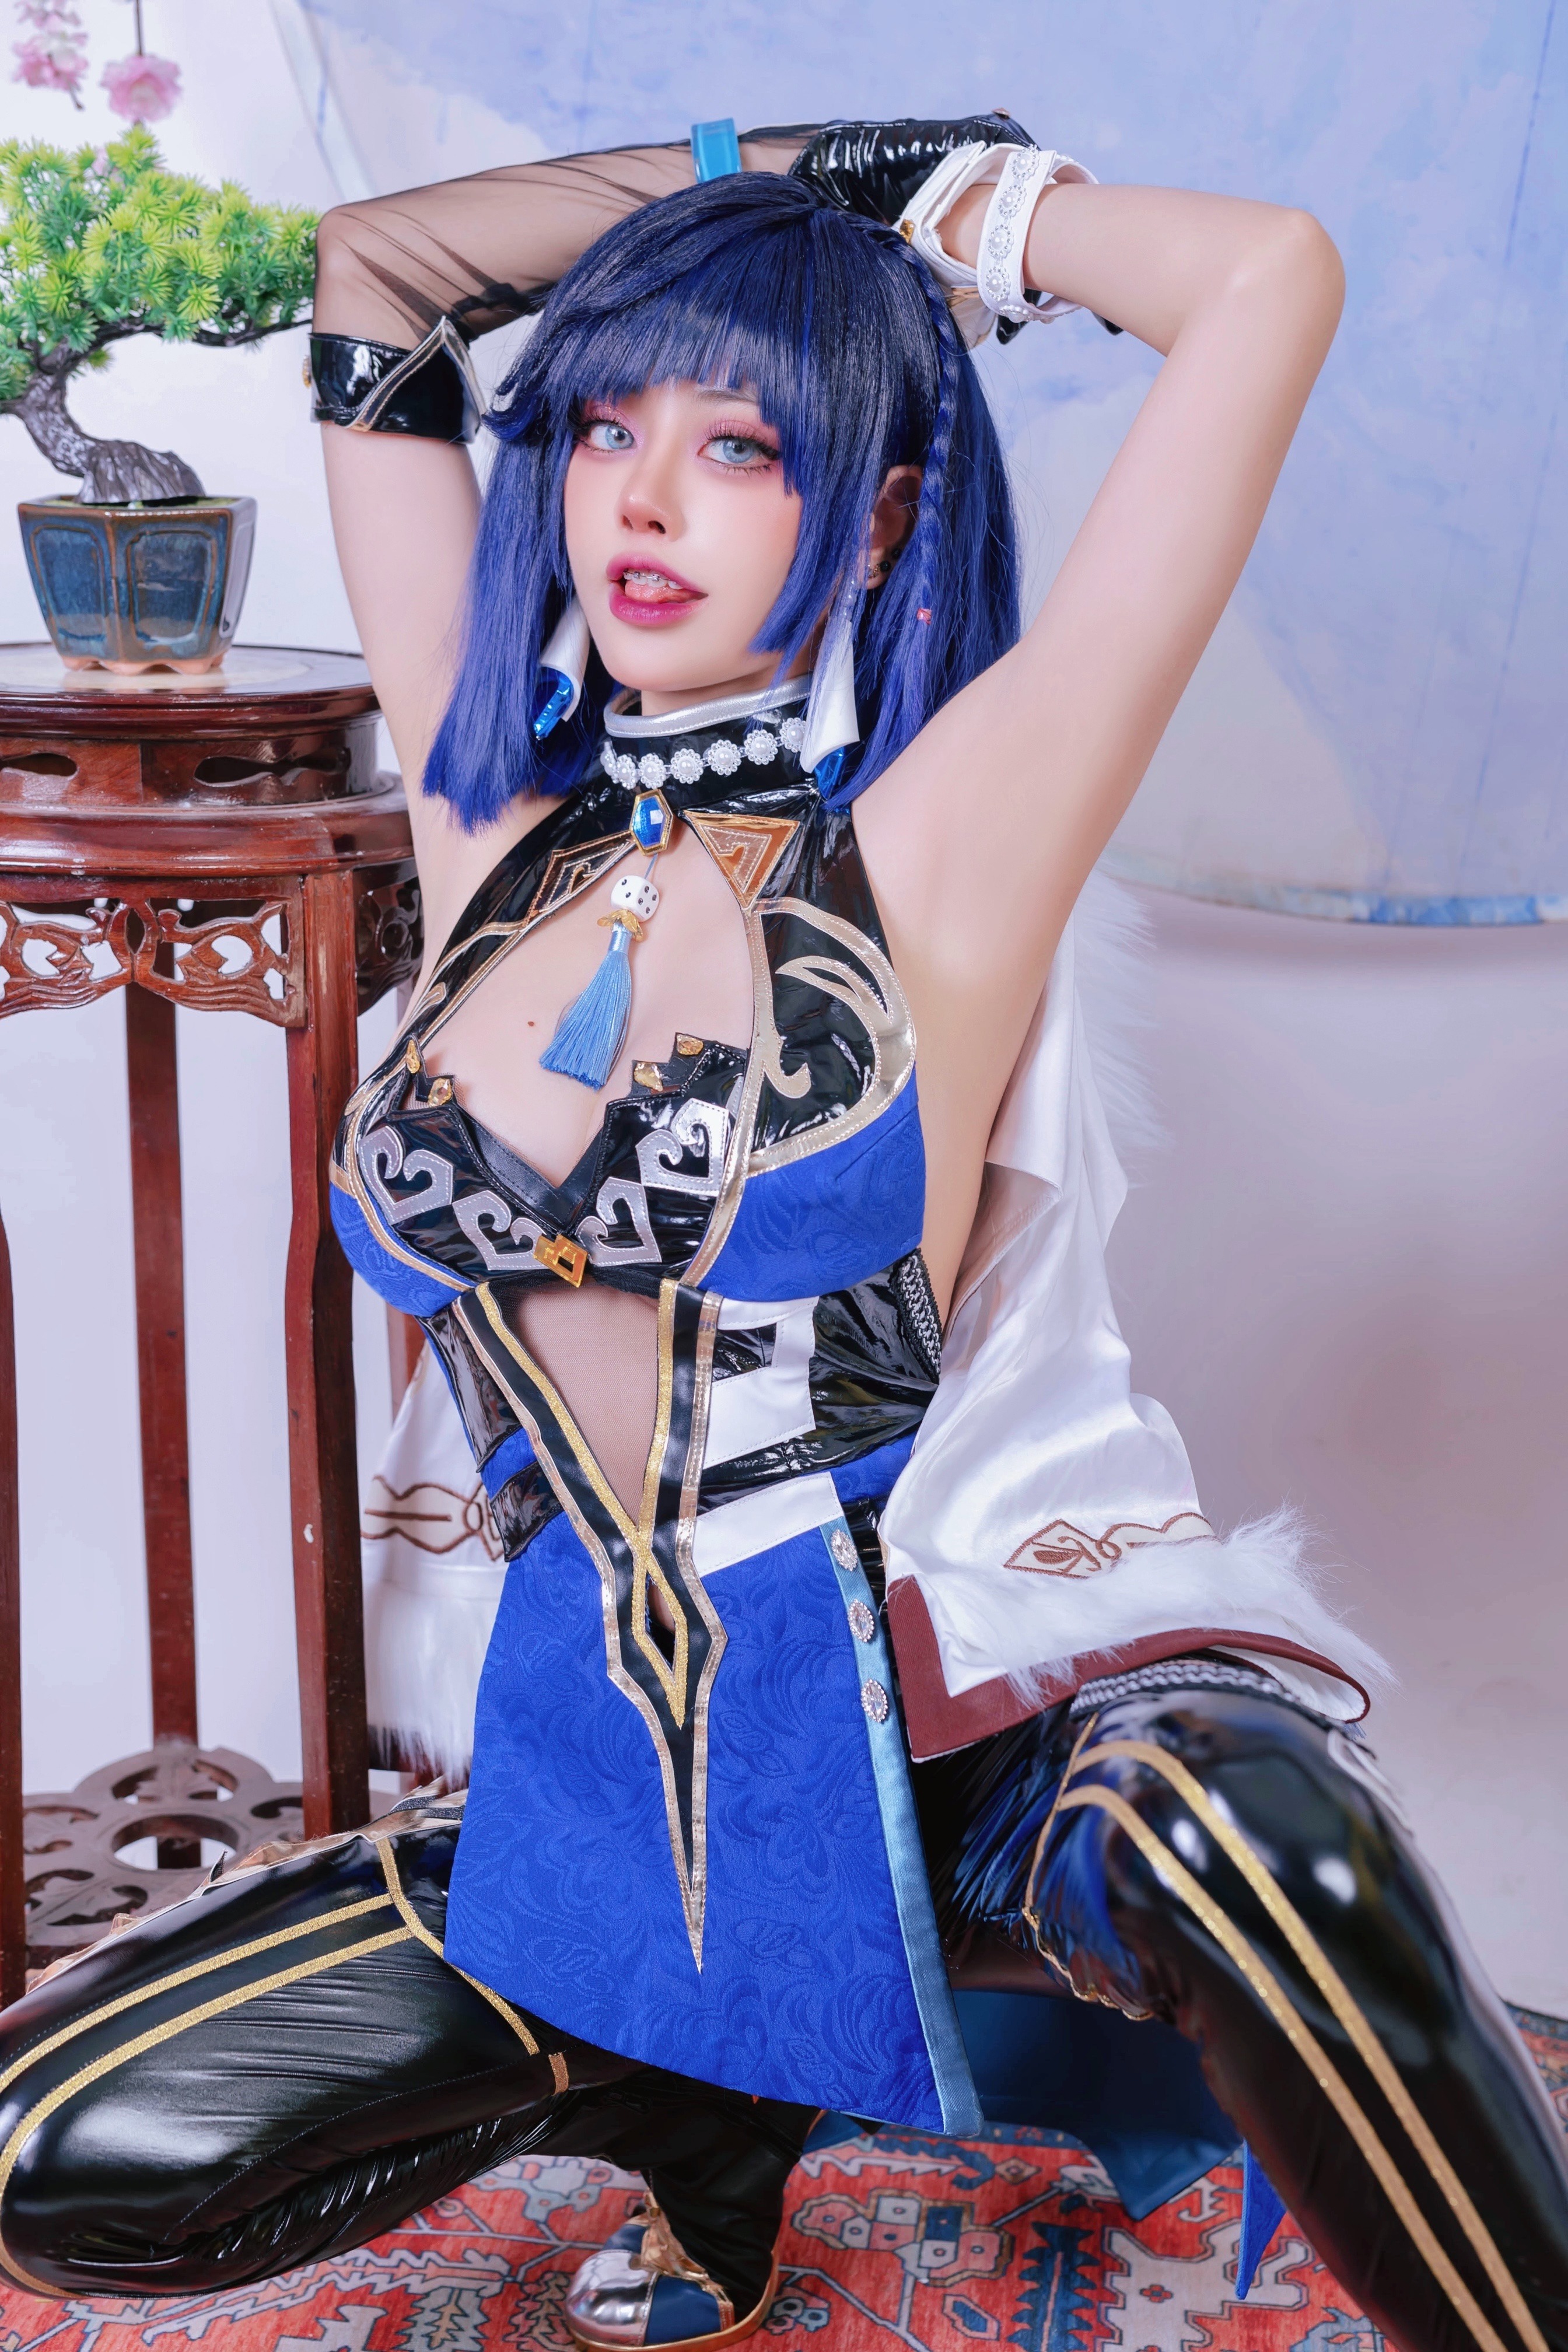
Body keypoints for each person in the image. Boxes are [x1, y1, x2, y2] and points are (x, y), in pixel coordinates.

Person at [2, 118, 1565, 2352]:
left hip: (965, 1728)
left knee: (1258, 1856)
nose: (643, 499)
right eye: (603, 427)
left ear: (883, 512)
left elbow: (1265, 282)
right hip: (621, 1776)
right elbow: (381, 268)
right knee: (63, 2160)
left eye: (742, 445)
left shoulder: (939, 846)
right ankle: (690, 2082)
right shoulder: (491, 828)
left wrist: (906, 199)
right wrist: (760, 180)